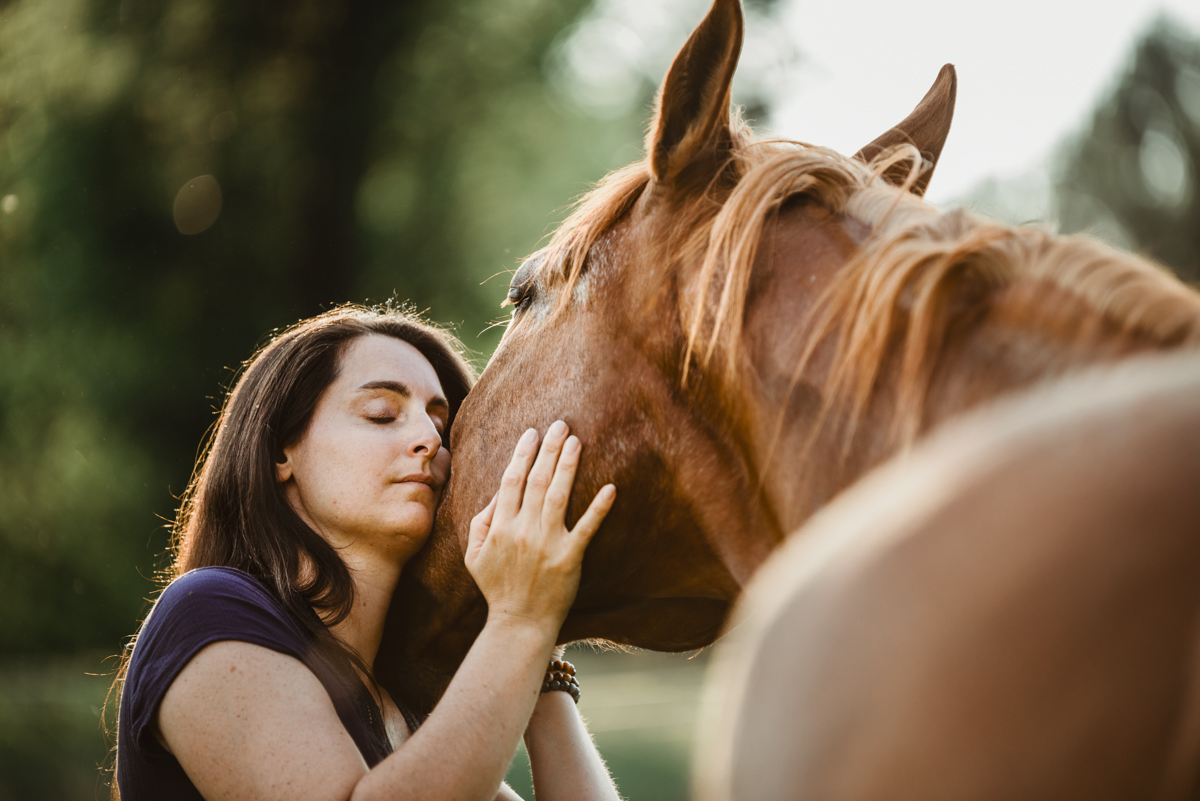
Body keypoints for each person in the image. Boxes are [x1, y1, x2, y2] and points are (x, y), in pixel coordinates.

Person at [111, 304, 621, 801]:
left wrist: (542, 652)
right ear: (280, 452)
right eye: (381, 415)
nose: (428, 440)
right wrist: (519, 622)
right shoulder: (207, 612)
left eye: (441, 428)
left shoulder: (406, 708)